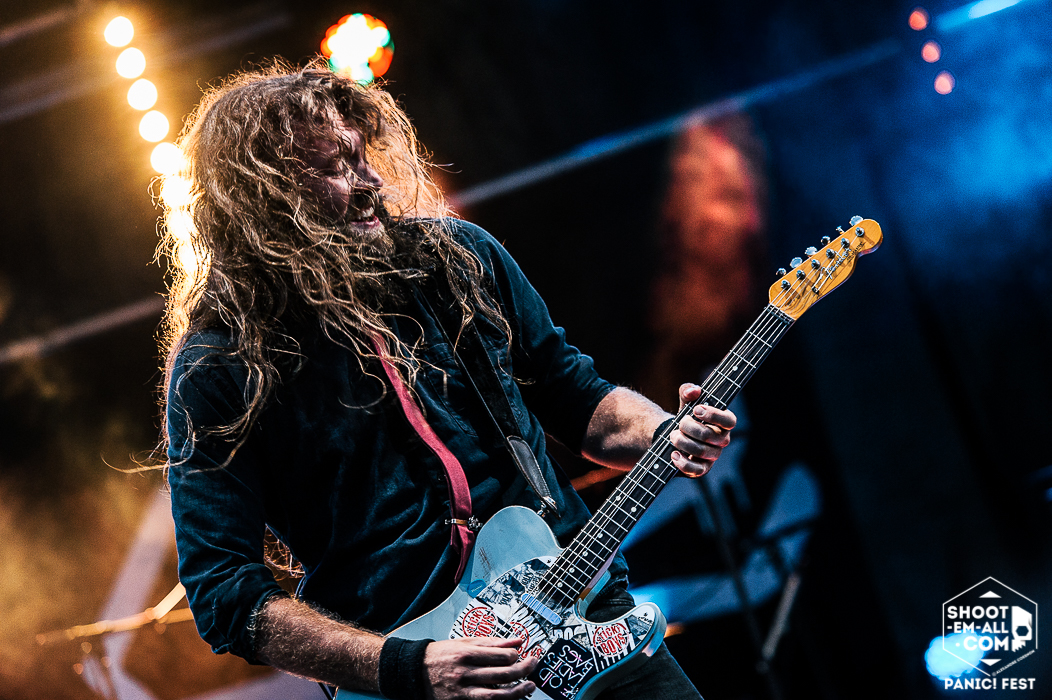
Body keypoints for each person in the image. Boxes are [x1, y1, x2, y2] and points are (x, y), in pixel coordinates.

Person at [161, 63, 737, 700]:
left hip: (584, 613)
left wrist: (663, 430)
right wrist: (408, 667)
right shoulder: (219, 365)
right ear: (265, 199)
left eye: (362, 157)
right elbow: (224, 591)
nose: (370, 183)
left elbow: (574, 396)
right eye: (335, 167)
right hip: (424, 675)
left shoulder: (459, 261)